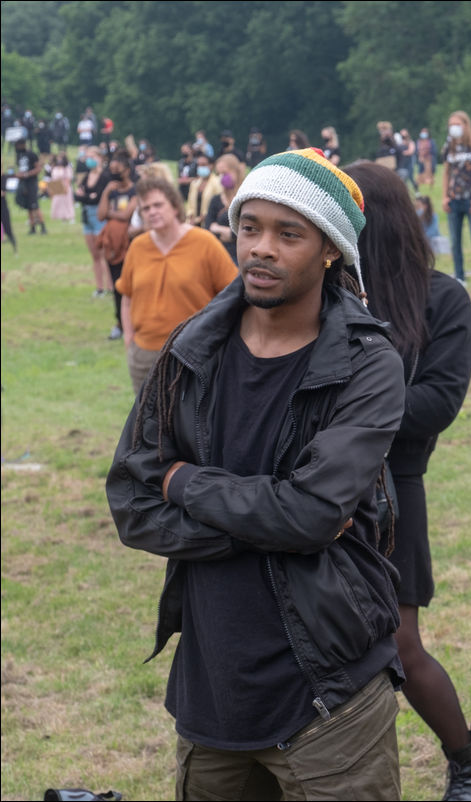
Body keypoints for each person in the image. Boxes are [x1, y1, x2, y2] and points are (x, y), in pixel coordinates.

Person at [106, 148, 406, 800]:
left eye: (288, 233)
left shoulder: (368, 363)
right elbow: (130, 496)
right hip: (212, 693)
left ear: (330, 249)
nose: (261, 249)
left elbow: (312, 513)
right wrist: (273, 524)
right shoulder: (192, 347)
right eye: (250, 227)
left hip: (329, 697)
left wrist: (183, 483)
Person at [344, 161, 471, 801]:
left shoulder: (441, 298)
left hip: (391, 490)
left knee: (401, 646)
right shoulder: (328, 292)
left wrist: (348, 415)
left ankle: (467, 763)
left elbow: (437, 401)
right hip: (310, 488)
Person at [117, 175, 238, 391]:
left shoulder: (204, 243)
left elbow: (233, 295)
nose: (152, 212)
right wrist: (129, 338)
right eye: (146, 208)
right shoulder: (138, 247)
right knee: (147, 423)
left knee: (192, 423)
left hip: (193, 355)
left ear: (174, 206)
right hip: (144, 355)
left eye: (158, 205)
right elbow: (127, 296)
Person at [442, 110, 471, 289]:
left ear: (466, 125)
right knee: (455, 240)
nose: (454, 128)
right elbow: (446, 172)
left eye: (457, 124)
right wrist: (444, 196)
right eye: (451, 125)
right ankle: (460, 275)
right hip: (454, 199)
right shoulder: (449, 146)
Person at [98, 152, 140, 342]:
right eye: (111, 170)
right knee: (116, 285)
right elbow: (100, 215)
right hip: (112, 246)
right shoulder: (111, 190)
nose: (114, 174)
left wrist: (111, 213)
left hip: (130, 245)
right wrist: (106, 192)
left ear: (127, 170)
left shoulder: (135, 191)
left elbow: (126, 215)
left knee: (133, 285)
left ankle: (135, 322)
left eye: (117, 170)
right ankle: (120, 323)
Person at [75, 146, 111, 298]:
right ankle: (99, 287)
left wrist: (87, 196)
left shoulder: (105, 176)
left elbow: (99, 197)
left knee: (104, 255)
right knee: (95, 255)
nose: (89, 159)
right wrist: (87, 196)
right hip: (86, 216)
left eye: (92, 156)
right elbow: (78, 196)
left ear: (100, 158)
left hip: (99, 216)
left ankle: (110, 287)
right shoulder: (86, 176)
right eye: (87, 156)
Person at [204, 154, 246, 263]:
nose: (222, 178)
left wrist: (219, 228)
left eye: (225, 173)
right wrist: (228, 232)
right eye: (219, 174)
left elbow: (245, 230)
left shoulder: (244, 199)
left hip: (238, 256)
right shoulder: (216, 200)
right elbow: (208, 226)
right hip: (218, 253)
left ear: (235, 171)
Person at [11, 138, 45, 235]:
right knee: (28, 206)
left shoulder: (32, 154)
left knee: (35, 206)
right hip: (23, 183)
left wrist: (27, 174)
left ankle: (43, 226)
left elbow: (38, 168)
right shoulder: (19, 155)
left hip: (31, 183)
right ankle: (32, 227)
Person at [49, 153, 75, 223]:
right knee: (58, 202)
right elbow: (53, 178)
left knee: (67, 202)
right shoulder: (55, 168)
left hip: (64, 185)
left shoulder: (67, 168)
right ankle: (63, 217)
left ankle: (71, 216)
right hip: (56, 185)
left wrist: (66, 187)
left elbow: (68, 179)